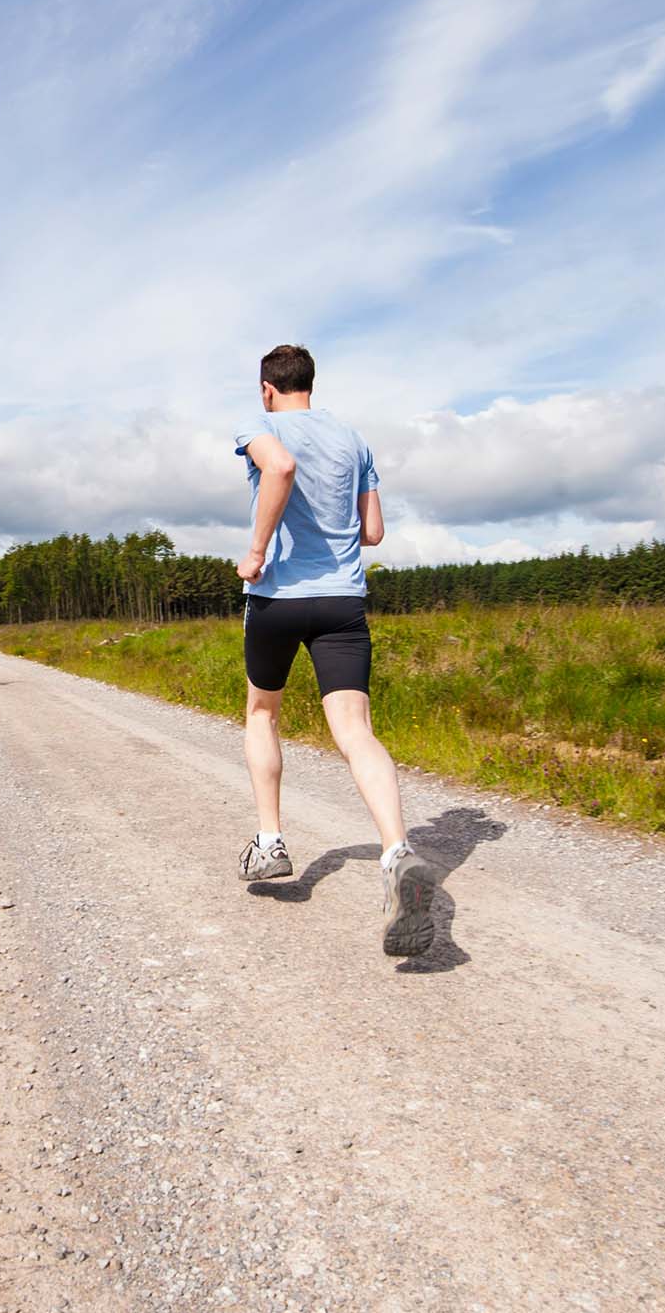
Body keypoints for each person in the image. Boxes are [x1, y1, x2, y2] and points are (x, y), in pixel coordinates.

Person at [233, 343, 437, 956]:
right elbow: (372, 531)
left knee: (262, 712)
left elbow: (281, 468)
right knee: (355, 732)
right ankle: (397, 852)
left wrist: (257, 550)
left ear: (267, 389)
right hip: (343, 601)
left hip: (276, 600)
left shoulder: (259, 426)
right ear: (310, 385)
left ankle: (270, 843)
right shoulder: (353, 440)